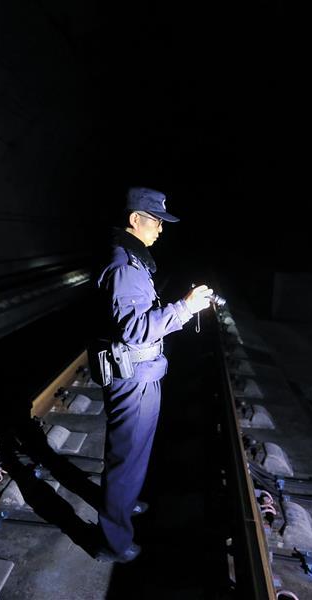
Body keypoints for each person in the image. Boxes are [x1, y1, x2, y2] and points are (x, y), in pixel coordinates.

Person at [90, 186, 213, 563]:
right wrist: (185, 308)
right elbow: (135, 328)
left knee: (134, 453)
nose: (160, 228)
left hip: (141, 372)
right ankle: (112, 541)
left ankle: (123, 504)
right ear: (135, 220)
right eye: (157, 221)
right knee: (126, 457)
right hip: (134, 378)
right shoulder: (125, 265)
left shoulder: (134, 260)